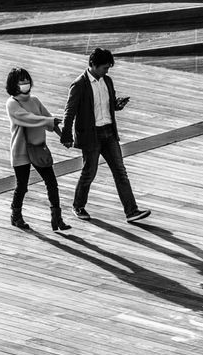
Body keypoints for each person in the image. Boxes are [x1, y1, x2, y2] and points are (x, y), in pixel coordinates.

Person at [60, 47, 149, 223]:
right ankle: (78, 206)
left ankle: (131, 211)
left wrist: (118, 105)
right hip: (91, 136)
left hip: (109, 133)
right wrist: (66, 136)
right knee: (89, 172)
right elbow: (69, 112)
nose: (107, 70)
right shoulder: (79, 85)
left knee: (120, 172)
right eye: (105, 67)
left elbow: (109, 105)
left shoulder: (107, 81)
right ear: (93, 65)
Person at [5, 67, 69, 232]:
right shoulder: (12, 103)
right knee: (22, 185)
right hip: (21, 151)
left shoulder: (35, 100)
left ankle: (57, 217)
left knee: (52, 183)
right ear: (14, 84)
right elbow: (28, 119)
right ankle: (16, 215)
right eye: (21, 81)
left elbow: (49, 120)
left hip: (38, 149)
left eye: (27, 80)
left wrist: (62, 135)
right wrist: (49, 121)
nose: (25, 84)